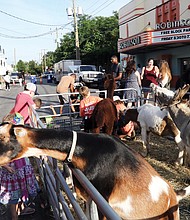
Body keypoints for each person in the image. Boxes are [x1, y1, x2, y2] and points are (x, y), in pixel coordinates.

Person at [0, 113, 39, 220]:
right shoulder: (4, 143)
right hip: (11, 175)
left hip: (20, 172)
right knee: (13, 200)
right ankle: (14, 217)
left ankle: (22, 208)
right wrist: (6, 167)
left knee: (20, 193)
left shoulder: (18, 140)